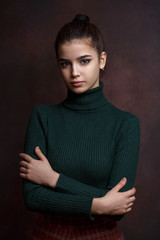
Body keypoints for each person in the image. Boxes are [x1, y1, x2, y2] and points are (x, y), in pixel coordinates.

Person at [19, 14, 140, 240]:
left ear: (102, 60)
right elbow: (32, 198)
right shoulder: (42, 116)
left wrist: (53, 179)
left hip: (102, 236)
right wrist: (99, 204)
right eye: (65, 63)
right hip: (48, 235)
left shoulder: (125, 124)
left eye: (84, 61)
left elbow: (119, 207)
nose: (74, 72)